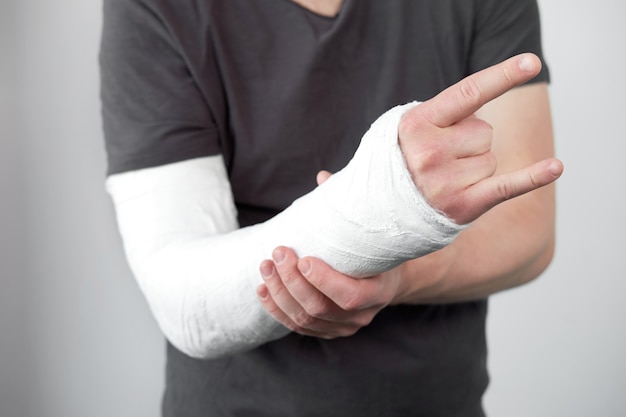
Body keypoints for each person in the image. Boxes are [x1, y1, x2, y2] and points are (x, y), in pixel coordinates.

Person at [100, 0, 563, 415]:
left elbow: (528, 232)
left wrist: (397, 276)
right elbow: (183, 295)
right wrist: (375, 213)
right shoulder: (154, 7)